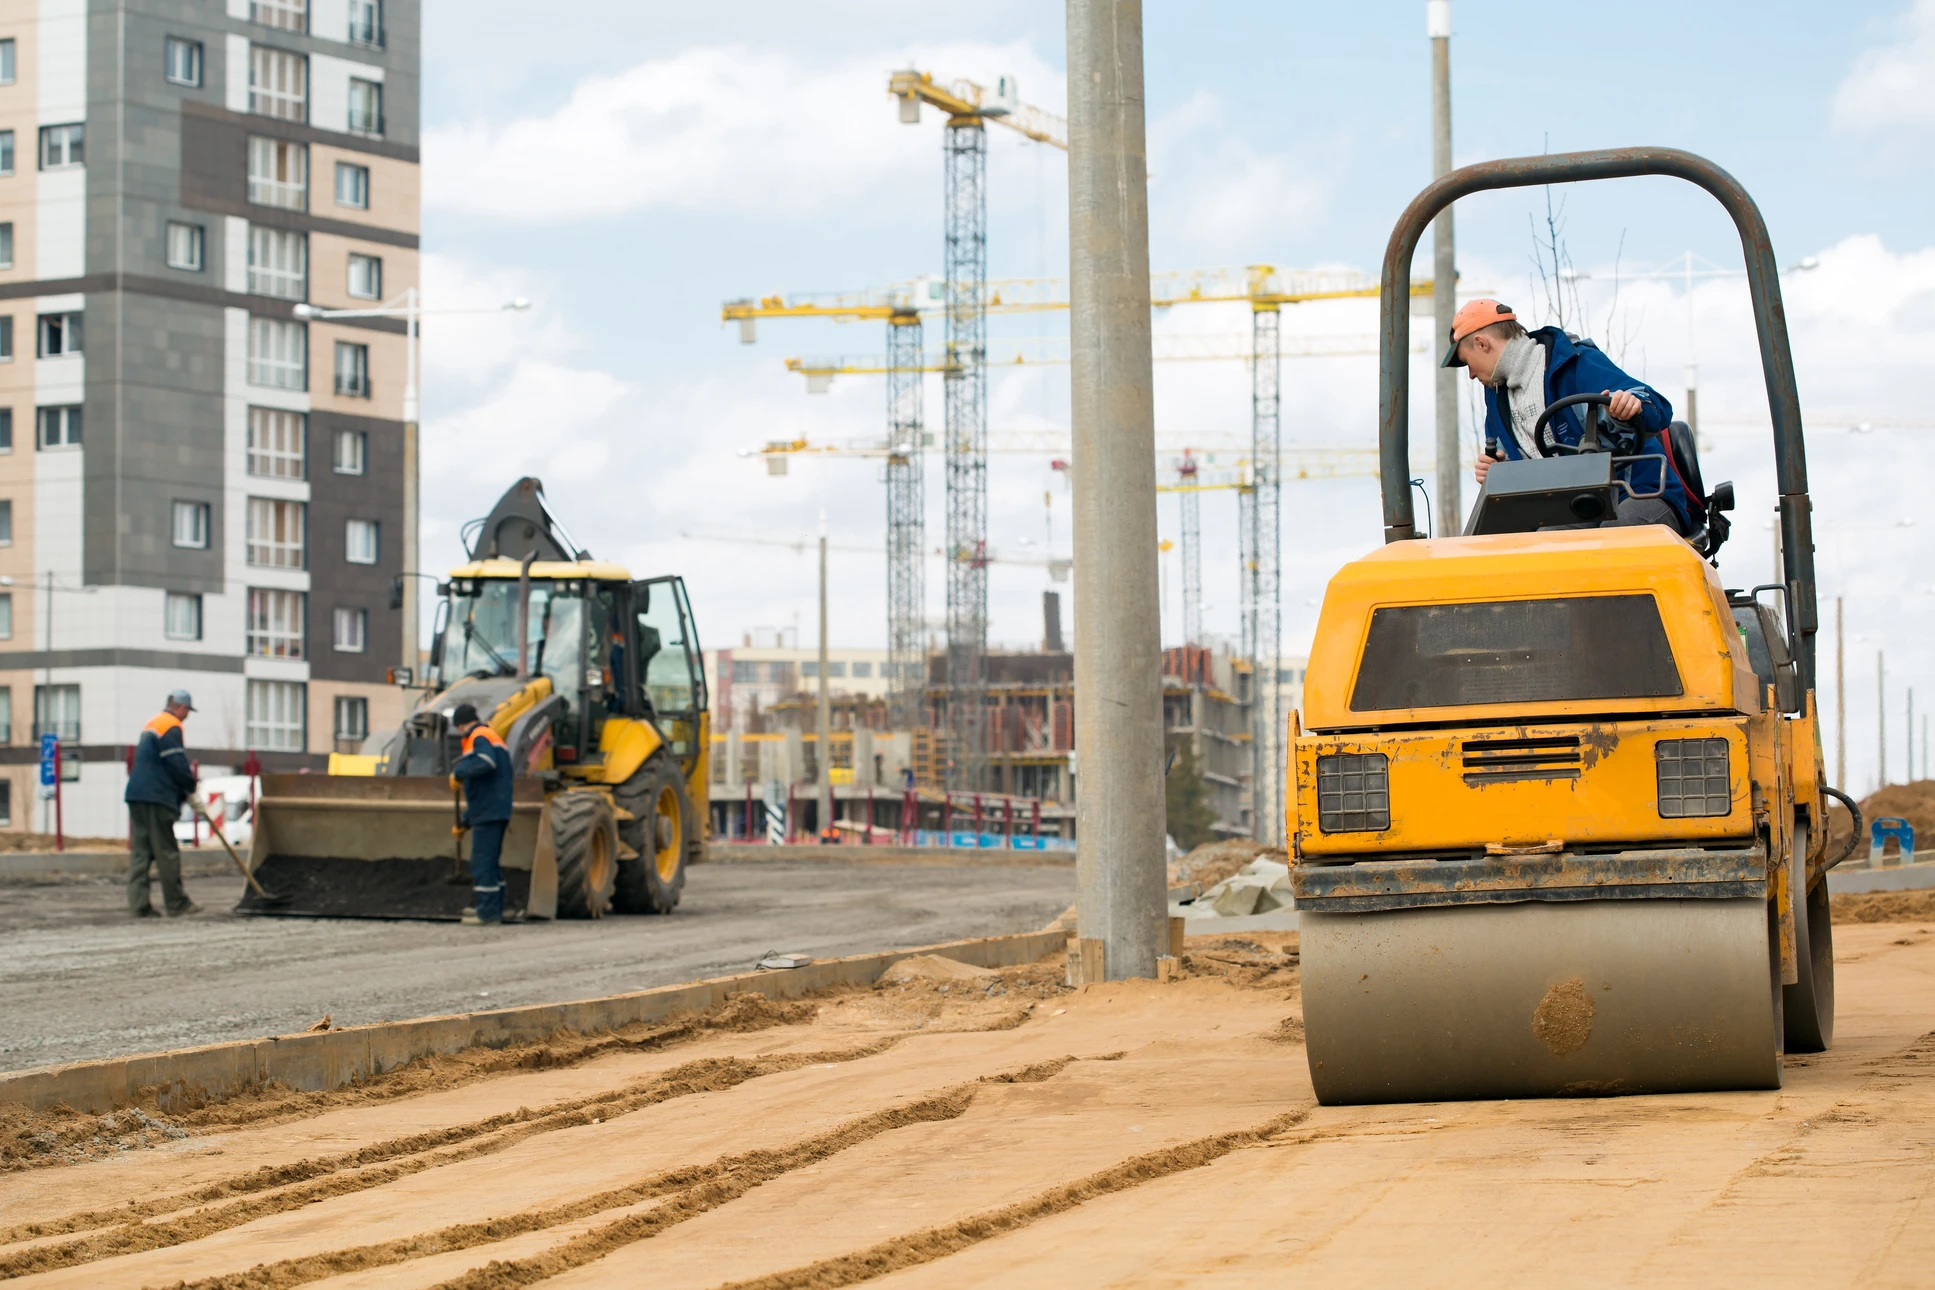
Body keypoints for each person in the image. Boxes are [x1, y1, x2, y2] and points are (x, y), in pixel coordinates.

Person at [1445, 299, 1693, 533]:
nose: (1471, 375)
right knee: (1546, 540)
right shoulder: (1496, 397)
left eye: (1468, 362)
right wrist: (1497, 471)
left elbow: (1656, 406)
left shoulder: (1573, 362)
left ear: (1482, 343)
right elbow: (1510, 463)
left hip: (1636, 494)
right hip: (1573, 508)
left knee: (1616, 536)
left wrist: (1630, 406)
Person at [125, 689, 200, 918]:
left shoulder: (152, 723)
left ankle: (139, 905)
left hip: (136, 795)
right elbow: (176, 763)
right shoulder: (171, 725)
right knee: (166, 851)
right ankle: (177, 904)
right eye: (187, 711)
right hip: (156, 797)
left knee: (141, 852)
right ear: (181, 707)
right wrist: (190, 786)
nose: (187, 716)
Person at [449, 702, 514, 926]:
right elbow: (486, 789)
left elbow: (486, 763)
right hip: (494, 809)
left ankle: (487, 913)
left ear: (460, 725)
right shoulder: (489, 735)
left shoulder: (479, 736)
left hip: (489, 812)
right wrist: (465, 822)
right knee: (491, 863)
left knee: (482, 862)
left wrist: (459, 772)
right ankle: (497, 908)